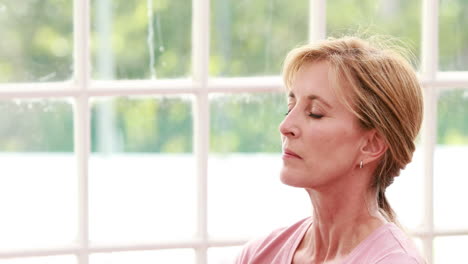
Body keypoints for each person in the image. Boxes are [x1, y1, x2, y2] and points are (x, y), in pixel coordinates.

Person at [235, 36, 426, 264]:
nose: (285, 127)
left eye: (315, 112)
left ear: (371, 144)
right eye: (290, 107)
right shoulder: (258, 255)